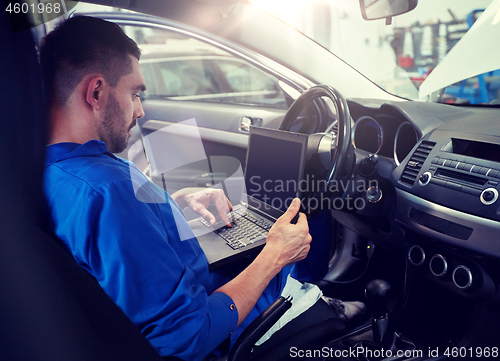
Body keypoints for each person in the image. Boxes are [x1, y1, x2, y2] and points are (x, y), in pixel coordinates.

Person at [40, 15, 363, 360]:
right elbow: (188, 336)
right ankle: (314, 302)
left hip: (196, 282)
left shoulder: (57, 168)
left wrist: (175, 203)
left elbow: (123, 235)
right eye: (135, 94)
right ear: (97, 91)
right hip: (223, 330)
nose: (140, 110)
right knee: (305, 234)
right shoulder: (107, 191)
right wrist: (273, 256)